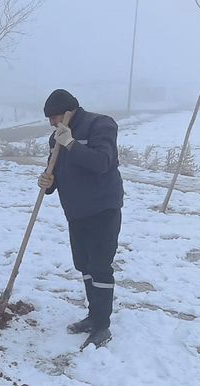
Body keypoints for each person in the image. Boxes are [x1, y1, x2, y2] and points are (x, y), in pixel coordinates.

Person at [37, 89, 124, 350]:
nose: (52, 123)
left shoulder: (101, 125)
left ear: (70, 110)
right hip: (76, 212)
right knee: (83, 265)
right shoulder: (57, 138)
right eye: (49, 119)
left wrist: (72, 144)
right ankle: (93, 316)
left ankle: (102, 325)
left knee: (100, 266)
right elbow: (56, 171)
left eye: (55, 116)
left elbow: (102, 162)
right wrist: (47, 182)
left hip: (102, 209)